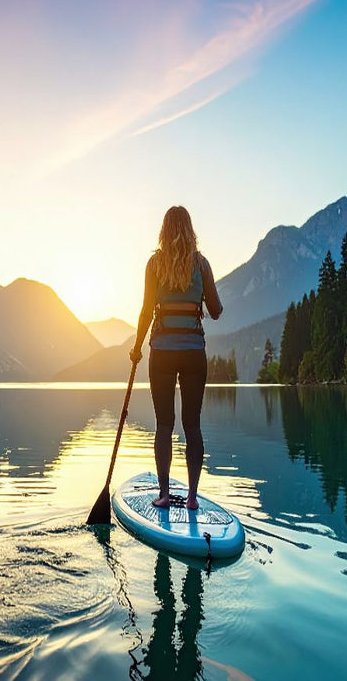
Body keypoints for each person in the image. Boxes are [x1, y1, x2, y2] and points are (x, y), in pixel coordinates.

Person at [129, 205, 223, 509]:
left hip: (163, 354)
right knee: (192, 425)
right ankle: (193, 498)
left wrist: (136, 348)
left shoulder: (154, 264)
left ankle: (165, 494)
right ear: (190, 229)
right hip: (195, 353)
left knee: (164, 425)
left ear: (164, 230)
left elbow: (146, 310)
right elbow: (217, 311)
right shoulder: (202, 264)